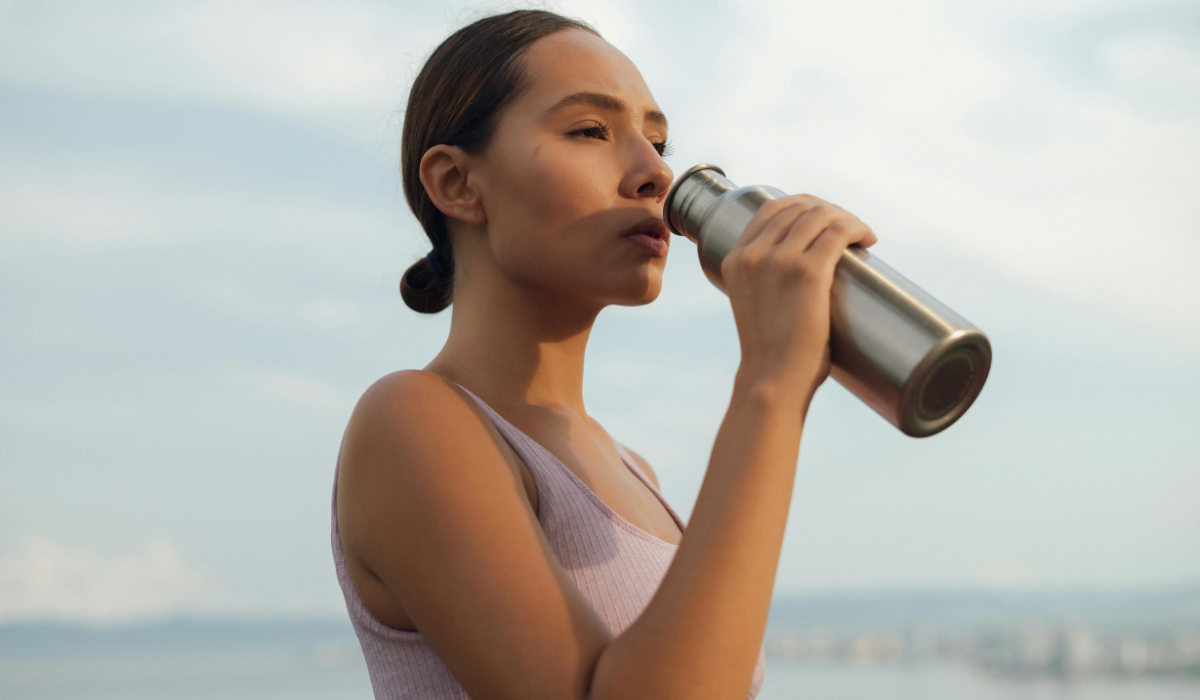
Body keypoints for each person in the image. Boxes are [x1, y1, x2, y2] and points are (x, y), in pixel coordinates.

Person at [332, 9, 876, 700]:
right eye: (590, 130)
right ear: (457, 185)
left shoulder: (631, 470)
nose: (656, 173)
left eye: (658, 140)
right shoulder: (411, 422)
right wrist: (772, 382)